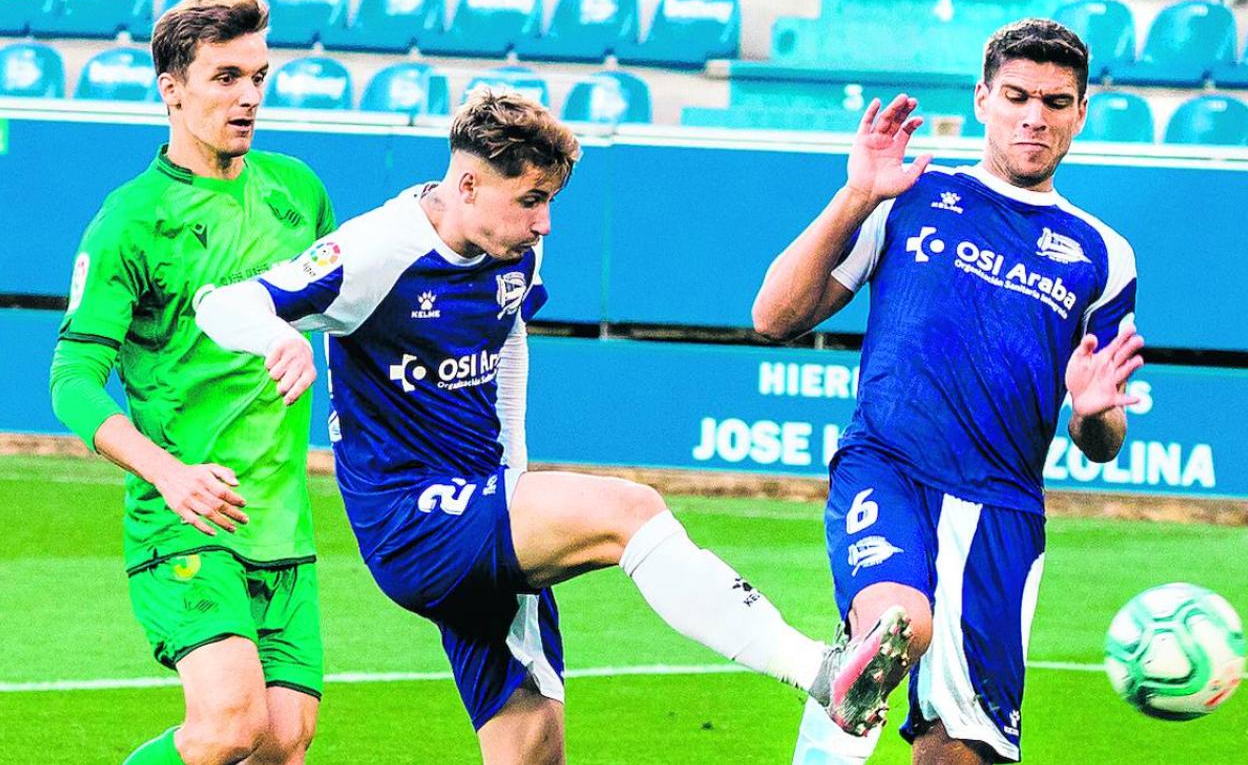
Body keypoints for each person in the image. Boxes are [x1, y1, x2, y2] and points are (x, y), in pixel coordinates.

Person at [195, 88, 909, 763]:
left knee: (532, 743)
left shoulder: (513, 248)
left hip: (486, 506)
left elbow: (507, 349)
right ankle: (818, 671)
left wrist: (514, 481)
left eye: (551, 200)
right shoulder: (377, 251)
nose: (544, 222)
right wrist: (278, 338)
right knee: (630, 510)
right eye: (531, 200)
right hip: (413, 520)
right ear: (469, 185)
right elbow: (223, 304)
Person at [753, 19, 1143, 765]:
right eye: (1018, 95)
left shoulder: (1104, 255)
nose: (1035, 116)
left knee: (959, 751)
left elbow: (1103, 443)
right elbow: (773, 317)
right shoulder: (910, 196)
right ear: (982, 99)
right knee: (898, 630)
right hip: (889, 466)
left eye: (1057, 102)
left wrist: (1095, 414)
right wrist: (855, 194)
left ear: (1081, 113)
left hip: (1001, 509)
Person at [47, 0, 336, 763]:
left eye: (259, 76)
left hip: (281, 521)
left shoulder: (298, 193)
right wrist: (167, 474)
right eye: (225, 76)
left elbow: (341, 311)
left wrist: (313, 345)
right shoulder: (131, 220)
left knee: (283, 741)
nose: (248, 96)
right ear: (171, 86)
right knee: (229, 724)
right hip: (185, 518)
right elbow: (73, 380)